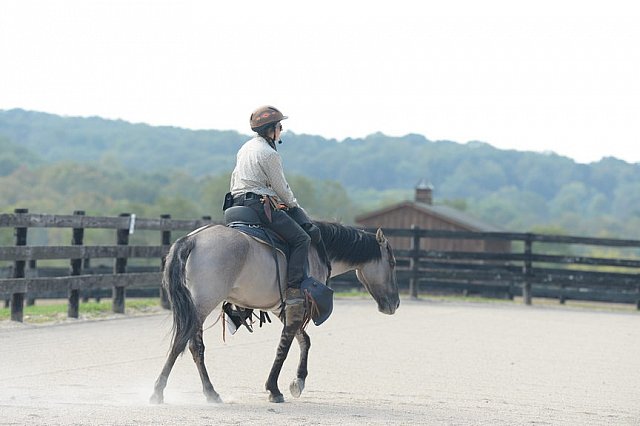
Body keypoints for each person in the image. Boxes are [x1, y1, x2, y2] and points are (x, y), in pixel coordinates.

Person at [228, 105, 315, 307]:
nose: (281, 130)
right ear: (272, 129)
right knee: (302, 239)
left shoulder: (245, 148)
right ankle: (293, 289)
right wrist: (294, 206)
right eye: (280, 126)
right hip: (258, 205)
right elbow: (281, 187)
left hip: (237, 204)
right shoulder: (269, 154)